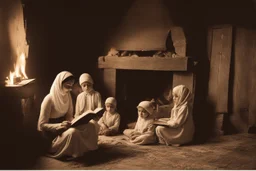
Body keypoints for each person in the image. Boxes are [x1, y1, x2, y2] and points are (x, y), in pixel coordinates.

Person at [37, 71, 99, 159]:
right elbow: (41, 125)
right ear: (59, 84)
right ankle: (72, 152)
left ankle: (88, 149)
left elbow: (69, 116)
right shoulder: (48, 99)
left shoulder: (67, 96)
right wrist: (59, 125)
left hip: (64, 127)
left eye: (71, 87)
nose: (70, 90)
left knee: (91, 125)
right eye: (67, 86)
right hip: (51, 135)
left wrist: (77, 121)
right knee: (73, 132)